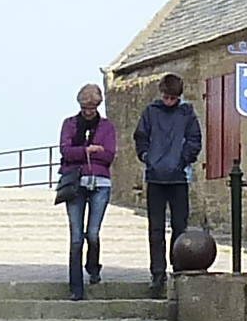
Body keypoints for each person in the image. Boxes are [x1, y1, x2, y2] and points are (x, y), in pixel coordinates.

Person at [130, 73, 205, 294]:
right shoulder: (151, 112)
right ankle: (157, 272)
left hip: (179, 177)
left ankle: (178, 266)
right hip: (155, 177)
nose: (168, 101)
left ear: (178, 96)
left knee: (179, 226)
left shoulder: (187, 113)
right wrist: (146, 156)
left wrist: (183, 159)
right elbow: (140, 136)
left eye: (172, 98)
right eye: (166, 97)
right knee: (156, 228)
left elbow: (195, 140)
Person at [55, 81, 117, 298]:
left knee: (92, 234)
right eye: (85, 109)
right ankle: (76, 288)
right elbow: (65, 151)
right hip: (75, 184)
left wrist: (82, 152)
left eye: (92, 109)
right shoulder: (69, 124)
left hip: (100, 183)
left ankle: (93, 267)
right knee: (76, 238)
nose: (89, 113)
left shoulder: (107, 127)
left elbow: (109, 155)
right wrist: (88, 150)